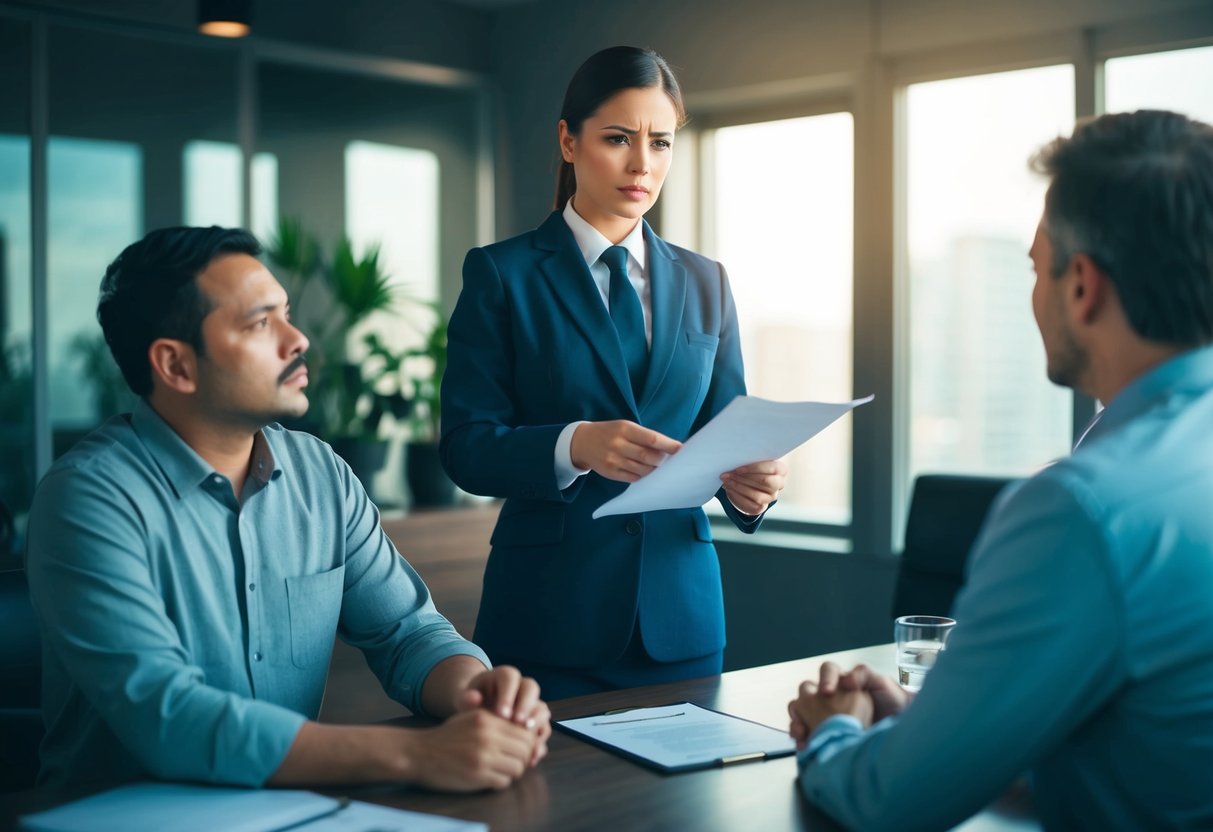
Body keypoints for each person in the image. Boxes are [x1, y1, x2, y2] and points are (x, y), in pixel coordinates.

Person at [788, 109, 1213, 830]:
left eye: (1033, 267)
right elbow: (1149, 733)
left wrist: (839, 728)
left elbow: (888, 802)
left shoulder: (1081, 509)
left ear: (1081, 286)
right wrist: (936, 726)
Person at [25, 226, 551, 792]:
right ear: (176, 366)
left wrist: (478, 692)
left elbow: (408, 633)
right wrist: (416, 754)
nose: (297, 339)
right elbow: (168, 716)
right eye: (259, 324)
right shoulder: (88, 499)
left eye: (287, 313)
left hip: (289, 812)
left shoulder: (319, 474)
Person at [440, 46, 789, 699]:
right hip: (547, 618)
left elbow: (724, 431)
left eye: (660, 143)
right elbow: (465, 448)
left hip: (680, 617)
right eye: (618, 139)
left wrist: (753, 486)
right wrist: (574, 444)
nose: (642, 164)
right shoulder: (502, 275)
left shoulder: (705, 281)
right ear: (568, 142)